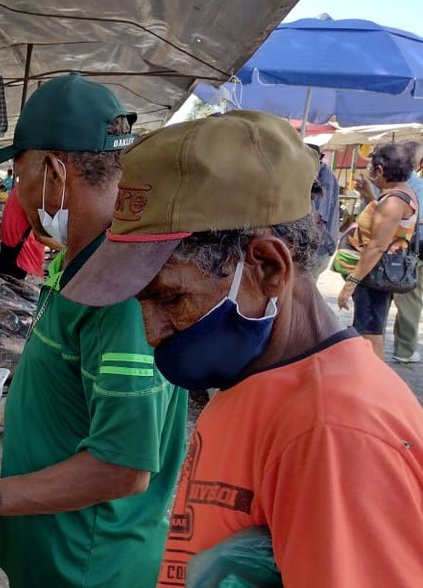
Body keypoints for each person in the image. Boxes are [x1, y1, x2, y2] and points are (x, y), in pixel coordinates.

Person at [61, 110, 423, 587]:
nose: (151, 332)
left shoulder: (334, 432)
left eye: (170, 298)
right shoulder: (251, 378)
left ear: (269, 267)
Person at [0, 74, 188, 588]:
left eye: (17, 175)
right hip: (53, 559)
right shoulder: (83, 262)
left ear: (54, 171)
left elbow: (124, 466)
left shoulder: (120, 291)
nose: (16, 193)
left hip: (91, 568)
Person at [335, 142, 418, 358]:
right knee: (369, 332)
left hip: (374, 274)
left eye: (373, 169)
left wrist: (350, 284)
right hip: (377, 272)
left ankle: (374, 386)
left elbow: (378, 244)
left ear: (380, 170)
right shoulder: (398, 195)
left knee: (369, 337)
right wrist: (369, 196)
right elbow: (383, 224)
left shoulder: (393, 201)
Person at [392, 141, 423, 363]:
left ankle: (403, 348)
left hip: (398, 247)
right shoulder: (416, 185)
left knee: (406, 299)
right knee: (410, 300)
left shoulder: (389, 181)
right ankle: (404, 350)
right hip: (412, 248)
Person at [0, 186, 47, 279]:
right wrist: (65, 248)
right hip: (21, 263)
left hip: (8, 257)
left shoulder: (20, 187)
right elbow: (41, 235)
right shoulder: (32, 191)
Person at [308, 145, 339, 274]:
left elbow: (318, 216)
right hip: (314, 245)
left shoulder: (324, 176)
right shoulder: (314, 172)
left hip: (319, 248)